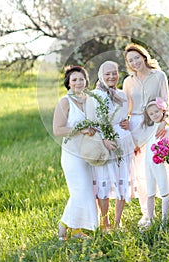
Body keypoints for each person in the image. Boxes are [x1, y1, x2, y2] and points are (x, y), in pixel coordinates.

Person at [123, 43, 169, 227]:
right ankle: (147, 215)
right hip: (136, 128)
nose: (134, 62)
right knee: (141, 174)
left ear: (144, 56)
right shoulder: (128, 81)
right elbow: (126, 108)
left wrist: (164, 121)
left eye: (136, 57)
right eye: (130, 60)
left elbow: (166, 102)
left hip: (157, 125)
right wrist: (123, 122)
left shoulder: (159, 75)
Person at [86, 61, 136, 230]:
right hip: (104, 142)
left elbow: (126, 116)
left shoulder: (122, 94)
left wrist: (128, 122)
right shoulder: (94, 95)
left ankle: (117, 221)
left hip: (123, 141)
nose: (111, 76)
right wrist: (103, 141)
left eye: (114, 73)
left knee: (122, 181)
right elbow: (92, 123)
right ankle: (105, 221)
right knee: (103, 182)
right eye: (107, 73)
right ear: (101, 75)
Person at [53, 65, 98, 240]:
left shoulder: (89, 100)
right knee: (80, 190)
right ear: (69, 83)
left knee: (87, 190)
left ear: (86, 82)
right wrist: (82, 130)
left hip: (88, 152)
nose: (78, 82)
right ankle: (63, 225)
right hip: (72, 154)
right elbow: (58, 130)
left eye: (81, 79)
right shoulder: (65, 102)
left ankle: (76, 230)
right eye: (74, 80)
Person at [143, 98, 169, 228]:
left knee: (165, 191)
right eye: (151, 114)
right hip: (149, 165)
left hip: (160, 164)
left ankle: (164, 221)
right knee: (150, 192)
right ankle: (150, 220)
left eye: (157, 112)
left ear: (163, 110)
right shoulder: (149, 129)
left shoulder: (167, 130)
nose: (154, 115)